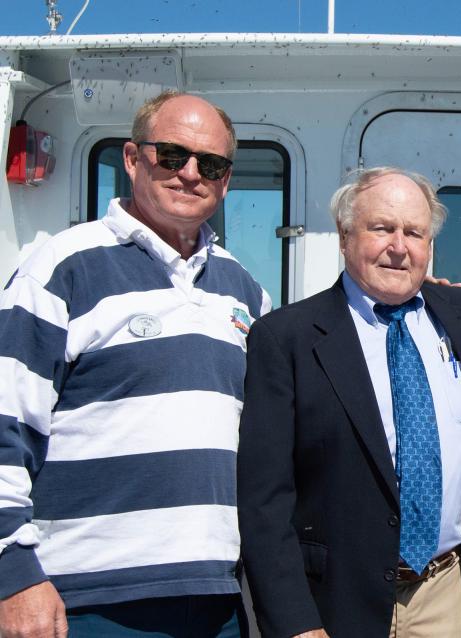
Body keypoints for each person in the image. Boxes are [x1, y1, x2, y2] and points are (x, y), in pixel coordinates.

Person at [0, 91, 269, 637]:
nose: (190, 174)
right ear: (131, 158)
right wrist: (12, 572)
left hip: (218, 599)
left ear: (226, 179)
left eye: (210, 164)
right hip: (88, 603)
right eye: (171, 155)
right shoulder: (61, 268)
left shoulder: (245, 292)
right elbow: (6, 423)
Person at [237, 167, 461, 638]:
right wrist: (295, 622)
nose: (399, 246)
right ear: (344, 237)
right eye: (382, 228)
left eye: (414, 232)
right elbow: (264, 499)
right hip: (336, 607)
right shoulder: (287, 339)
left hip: (448, 597)